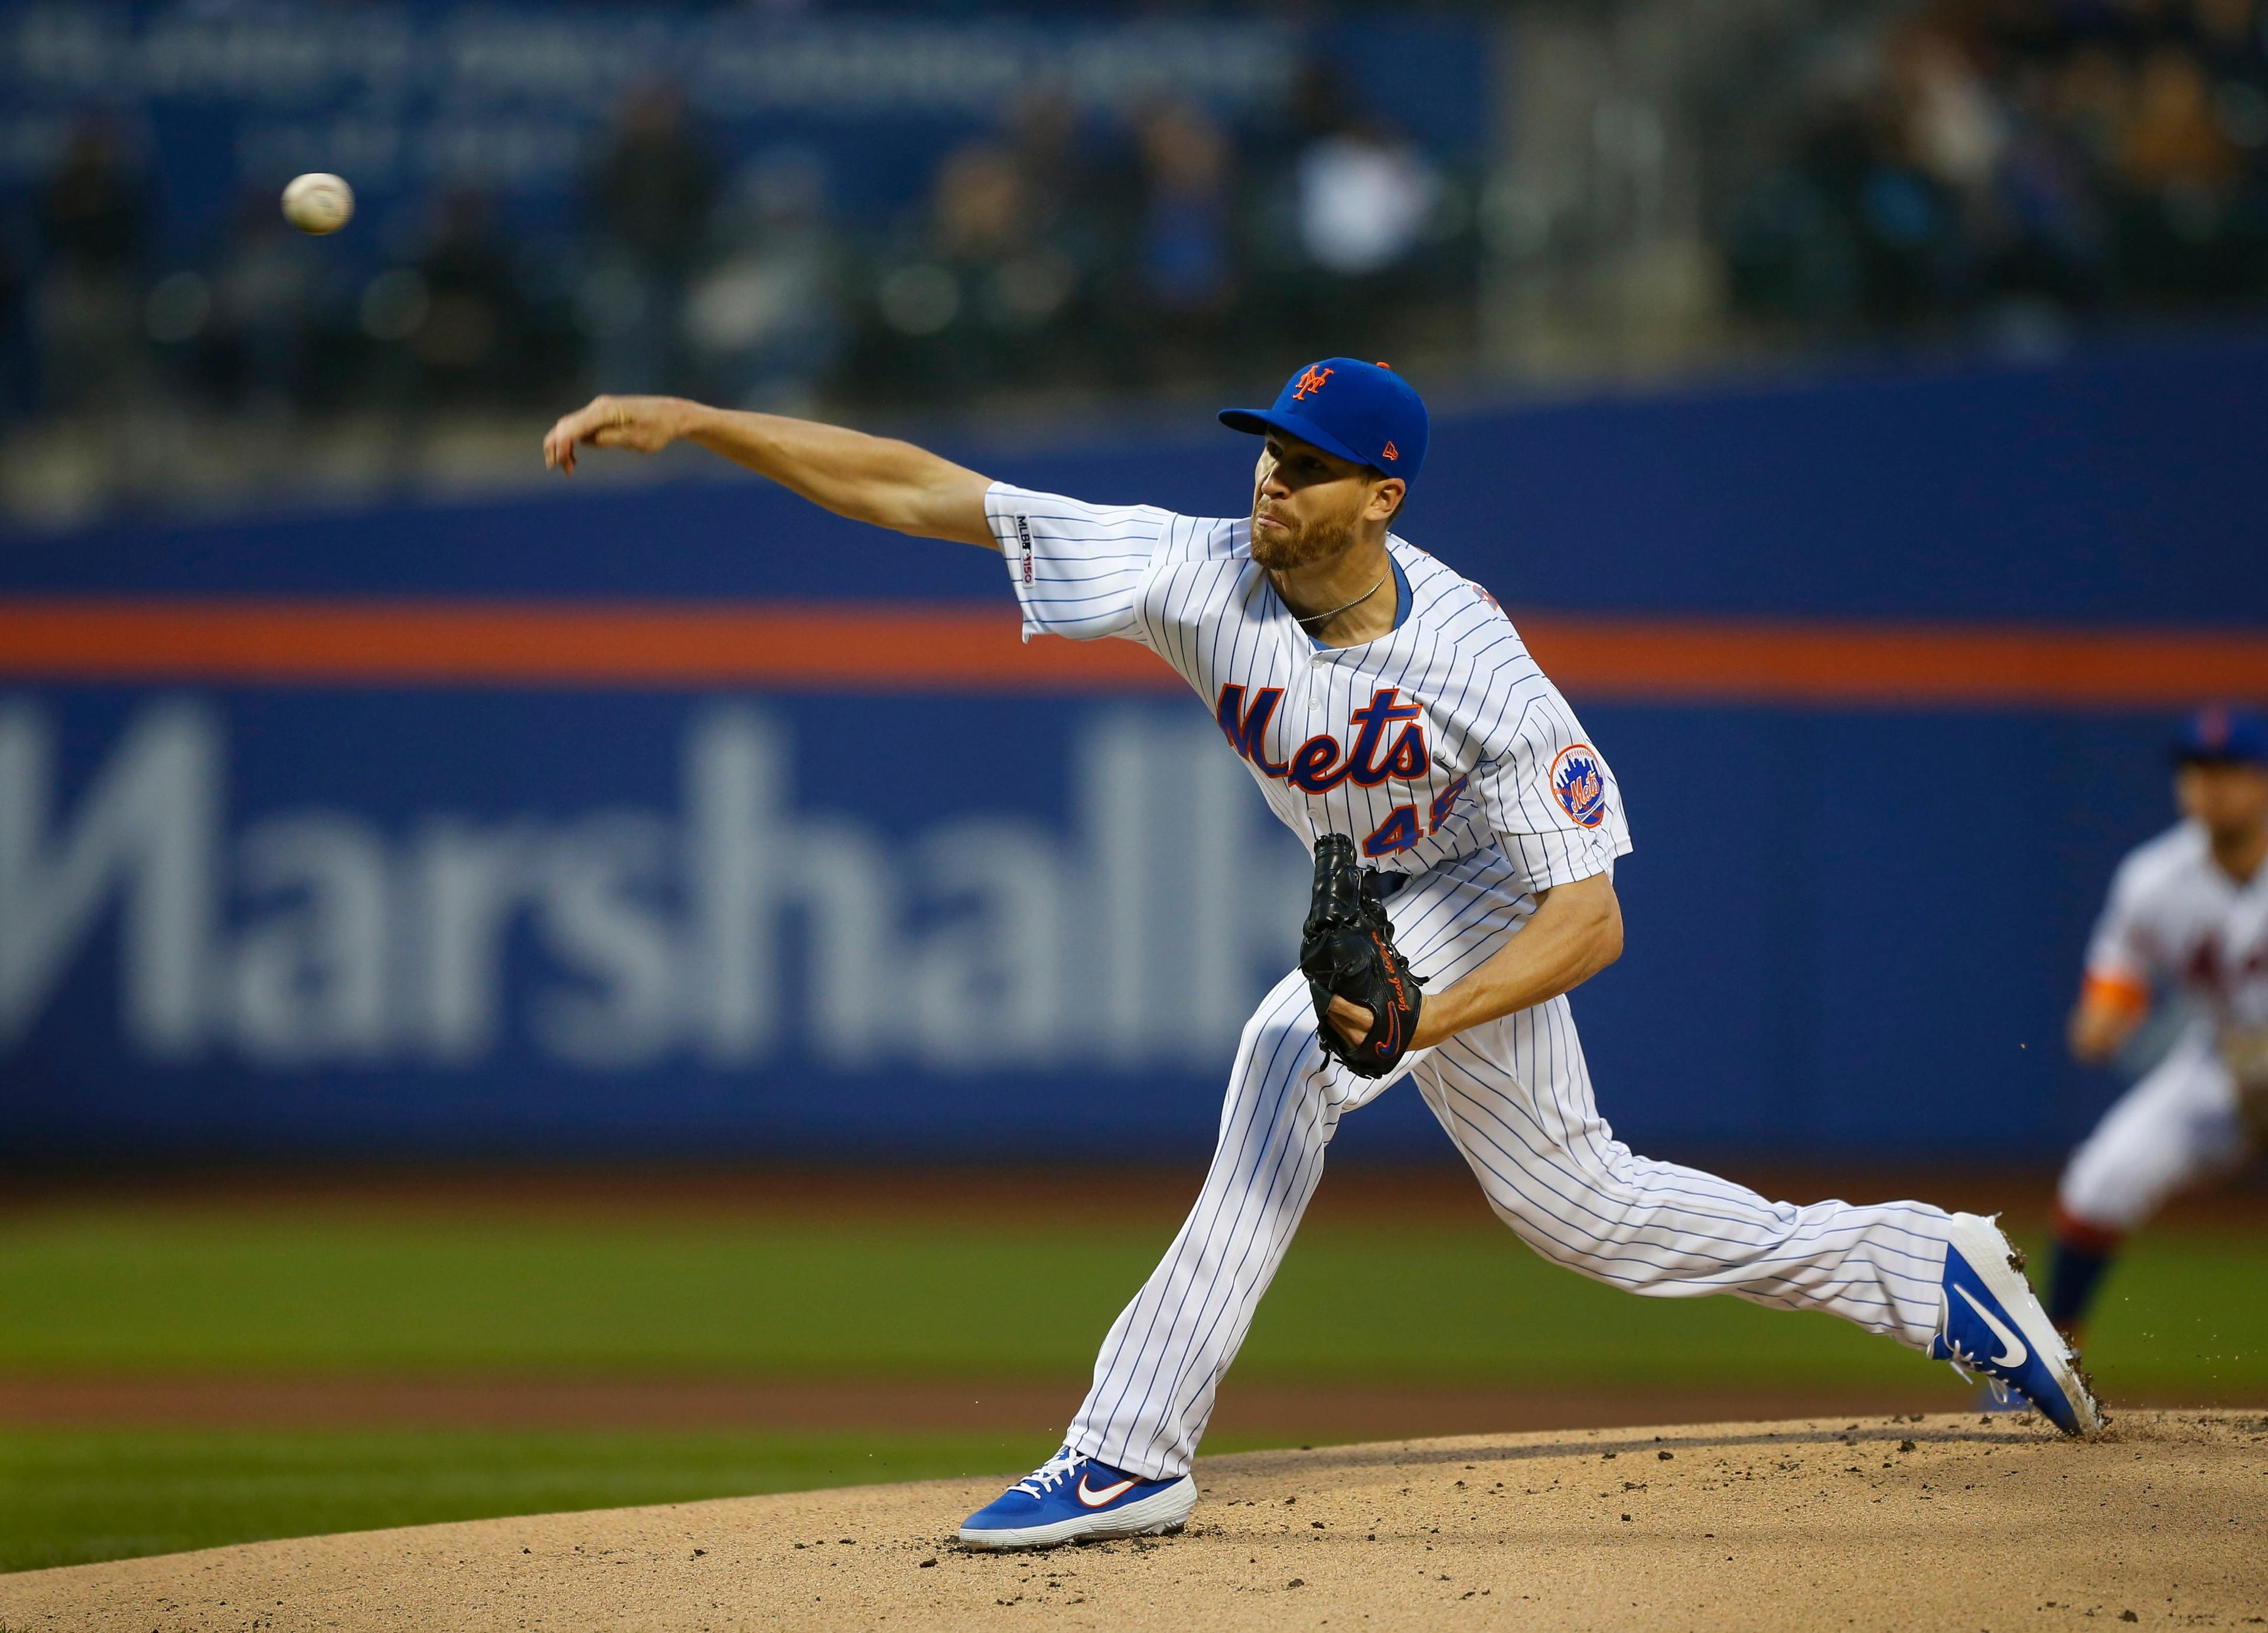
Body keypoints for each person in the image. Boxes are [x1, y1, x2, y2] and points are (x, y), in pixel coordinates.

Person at [541, 357, 2102, 1553]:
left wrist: (1419, 1012)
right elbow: (921, 491)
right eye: (1269, 456)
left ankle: (1130, 1442)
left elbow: (1593, 917)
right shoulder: (1195, 566)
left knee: (1291, 1050)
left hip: (1491, 903)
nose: (1269, 486)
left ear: (1384, 496)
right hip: (1396, 912)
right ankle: (1926, 1262)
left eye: (1308, 469)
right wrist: (703, 419)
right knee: (1590, 1211)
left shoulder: (1477, 662)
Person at [2047, 706, 2268, 1342]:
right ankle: (2049, 1358)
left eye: (2228, 771)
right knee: (2101, 1177)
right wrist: (2102, 1017)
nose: (2211, 786)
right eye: (2197, 771)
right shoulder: (2154, 879)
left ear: (2260, 782)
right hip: (2221, 1065)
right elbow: (2115, 985)